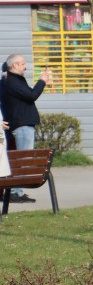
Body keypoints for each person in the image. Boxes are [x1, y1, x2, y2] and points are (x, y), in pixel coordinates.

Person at [1, 55, 51, 202]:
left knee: (21, 158)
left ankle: (17, 191)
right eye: (22, 64)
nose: (25, 67)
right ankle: (16, 191)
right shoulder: (12, 82)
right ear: (14, 66)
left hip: (21, 124)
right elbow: (32, 95)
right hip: (22, 125)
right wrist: (42, 81)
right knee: (23, 159)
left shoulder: (9, 81)